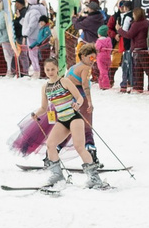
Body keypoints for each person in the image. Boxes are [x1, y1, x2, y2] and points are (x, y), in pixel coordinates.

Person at [36, 61, 106, 190]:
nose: (50, 72)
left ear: (58, 69)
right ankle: (57, 175)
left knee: (79, 146)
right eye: (47, 70)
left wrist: (77, 104)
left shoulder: (65, 82)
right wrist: (36, 114)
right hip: (62, 120)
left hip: (74, 117)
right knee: (50, 145)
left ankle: (94, 178)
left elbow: (79, 98)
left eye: (52, 69)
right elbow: (44, 107)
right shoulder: (45, 87)